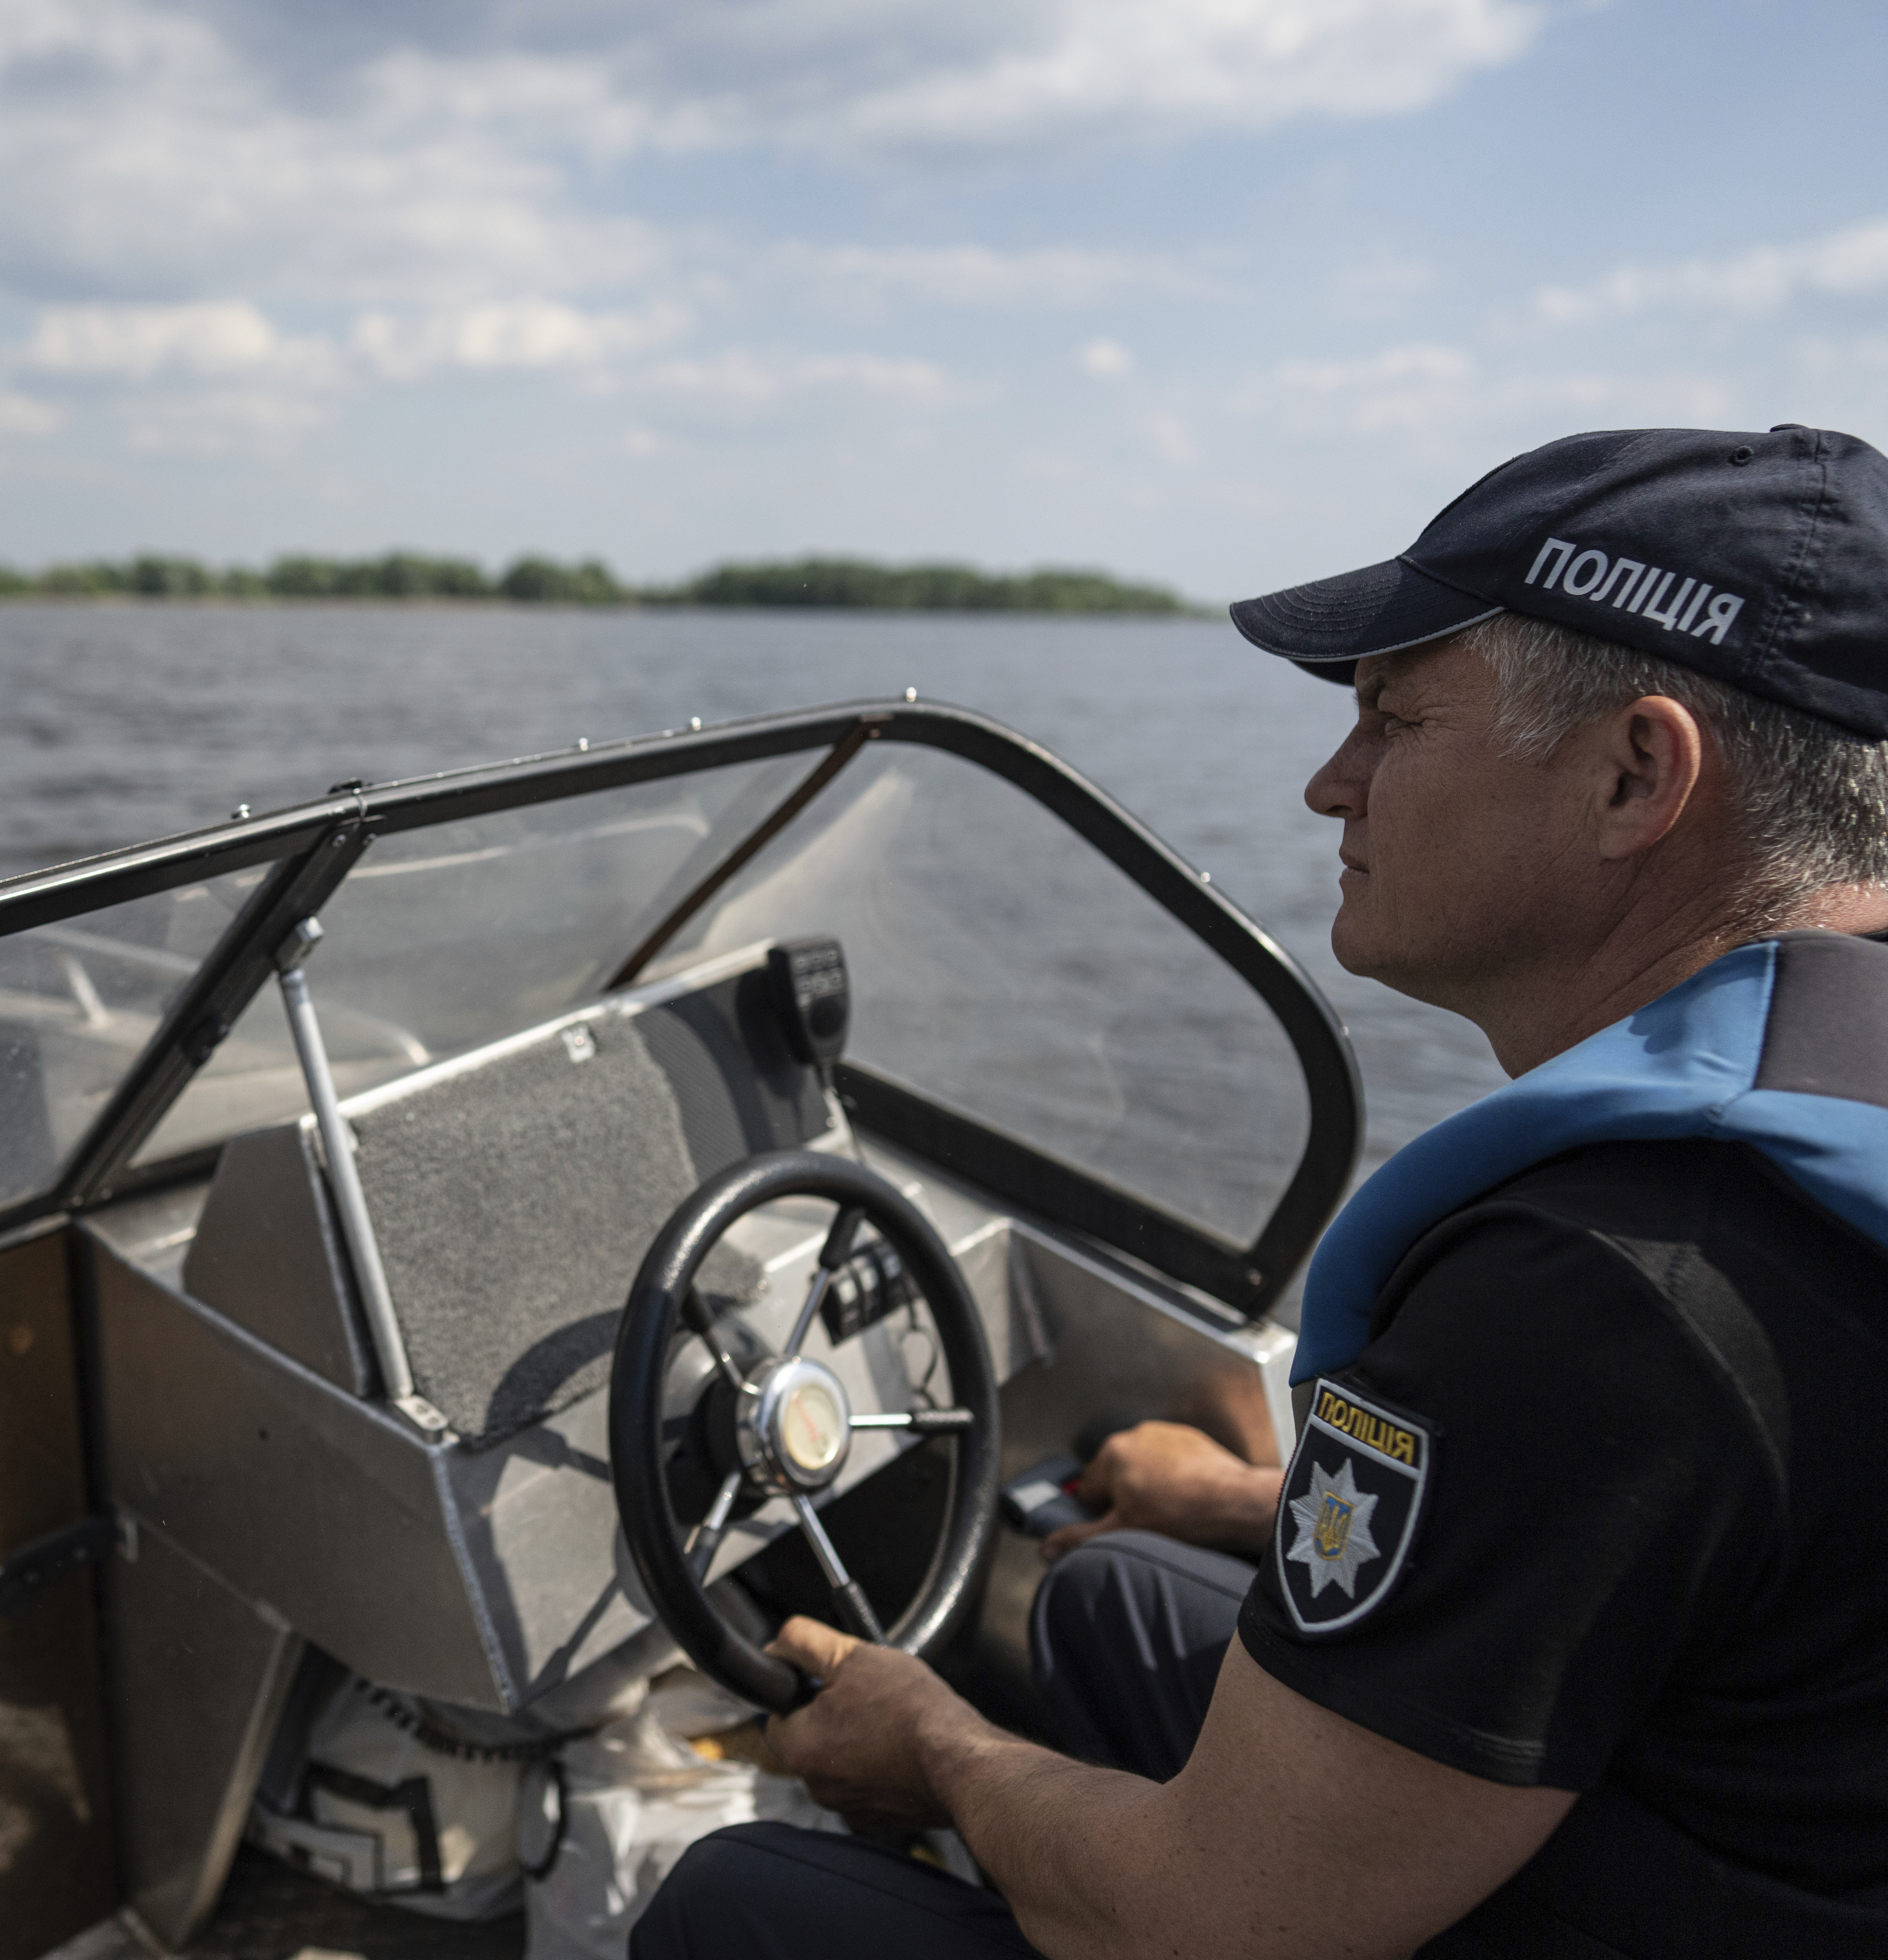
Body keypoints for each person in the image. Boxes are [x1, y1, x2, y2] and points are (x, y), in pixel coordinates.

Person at [633, 425, 1888, 1958]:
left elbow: (1211, 1929)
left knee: (742, 1906)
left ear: (1637, 774)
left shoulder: (1610, 1283)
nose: (1324, 785)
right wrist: (1249, 1501)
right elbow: (1671, 1542)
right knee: (1118, 1601)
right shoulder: (1819, 1126)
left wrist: (935, 1752)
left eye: (1393, 721)